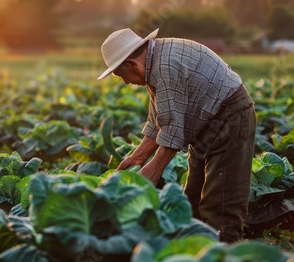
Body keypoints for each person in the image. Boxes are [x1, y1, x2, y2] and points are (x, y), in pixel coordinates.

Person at [98, 28, 256, 243]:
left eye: (120, 75)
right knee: (193, 198)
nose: (125, 82)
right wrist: (137, 157)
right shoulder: (154, 64)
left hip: (229, 116)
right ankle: (197, 250)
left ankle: (223, 251)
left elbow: (172, 133)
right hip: (207, 122)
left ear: (132, 65)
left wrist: (152, 172)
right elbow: (158, 121)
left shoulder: (165, 67)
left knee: (220, 201)